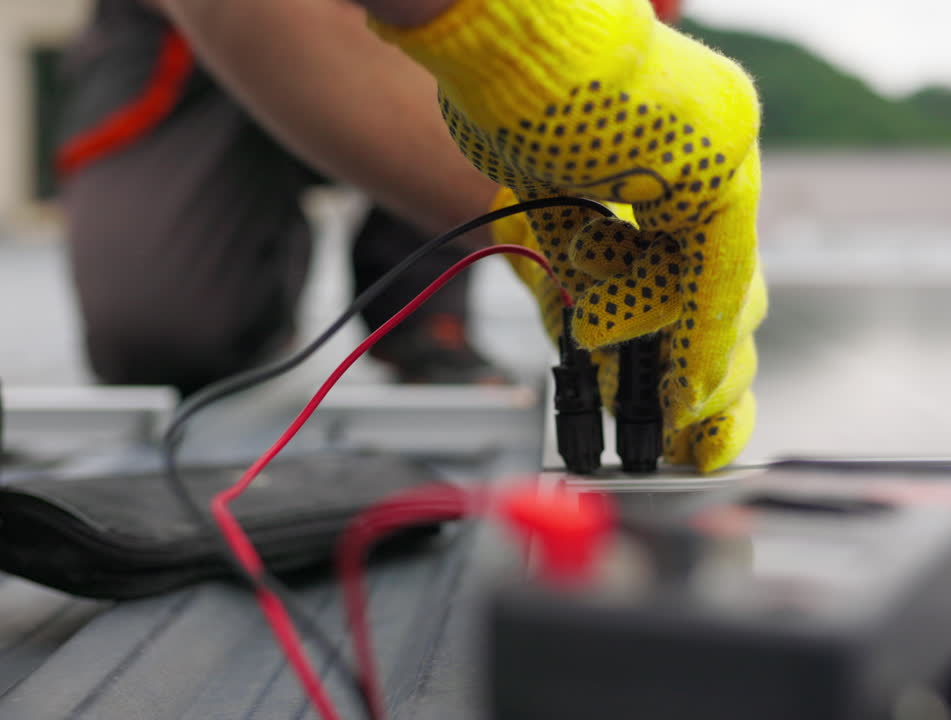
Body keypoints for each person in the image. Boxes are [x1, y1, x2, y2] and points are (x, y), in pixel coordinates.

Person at [68, 0, 766, 473]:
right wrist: (494, 28)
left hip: (413, 33)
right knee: (162, 335)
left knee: (497, 84)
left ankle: (421, 307)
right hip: (187, 39)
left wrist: (578, 199)